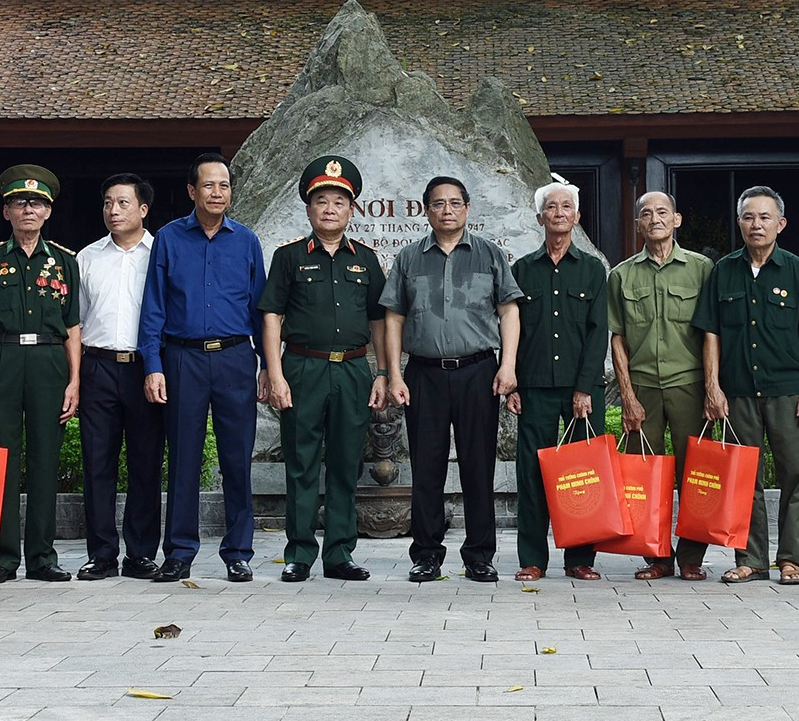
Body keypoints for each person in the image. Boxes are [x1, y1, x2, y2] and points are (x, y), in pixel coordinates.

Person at [381, 175, 522, 583]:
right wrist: (393, 373)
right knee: (426, 468)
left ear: (467, 209)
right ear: (427, 210)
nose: (447, 210)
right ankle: (426, 553)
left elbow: (509, 311)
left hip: (479, 371)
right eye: (438, 204)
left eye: (455, 203)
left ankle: (479, 554)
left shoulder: (490, 255)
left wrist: (507, 365)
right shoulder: (409, 258)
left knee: (479, 467)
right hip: (423, 374)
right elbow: (394, 316)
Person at [258, 156, 386, 582]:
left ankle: (339, 554)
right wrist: (274, 374)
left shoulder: (365, 260)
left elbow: (379, 321)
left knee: (347, 463)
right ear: (309, 209)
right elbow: (272, 316)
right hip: (302, 369)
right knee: (302, 463)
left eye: (339, 202)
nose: (330, 209)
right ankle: (298, 553)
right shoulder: (289, 257)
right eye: (321, 201)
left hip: (352, 371)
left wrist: (383, 373)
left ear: (352, 210)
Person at [139, 151, 265, 583]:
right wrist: (152, 365)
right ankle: (179, 551)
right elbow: (153, 306)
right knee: (184, 458)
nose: (218, 192)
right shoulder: (170, 239)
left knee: (236, 458)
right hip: (182, 358)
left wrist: (267, 366)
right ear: (192, 191)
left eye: (224, 185)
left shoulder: (246, 241)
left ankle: (238, 551)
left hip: (234, 357)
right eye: (209, 185)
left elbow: (258, 308)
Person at [695, 185, 799, 585]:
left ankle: (791, 559)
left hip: (788, 392)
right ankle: (750, 559)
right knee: (743, 480)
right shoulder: (724, 270)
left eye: (765, 217)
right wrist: (712, 387)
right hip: (737, 393)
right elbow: (711, 333)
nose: (757, 224)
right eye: (749, 217)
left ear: (781, 224)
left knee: (795, 475)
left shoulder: (796, 270)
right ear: (739, 223)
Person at [0, 165, 81, 584]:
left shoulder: (65, 262)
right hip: (3, 360)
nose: (28, 209)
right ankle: (2, 558)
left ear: (48, 212)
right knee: (2, 461)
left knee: (45, 459)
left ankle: (42, 557)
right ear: (6, 211)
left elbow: (72, 328)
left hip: (50, 363)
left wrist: (75, 380)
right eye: (19, 203)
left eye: (36, 203)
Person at [608, 191, 715, 581]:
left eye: (662, 212)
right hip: (643, 388)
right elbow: (617, 337)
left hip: (689, 383)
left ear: (677, 220)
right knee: (645, 477)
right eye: (646, 214)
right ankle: (656, 555)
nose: (654, 219)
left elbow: (711, 334)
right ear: (637, 224)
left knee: (695, 474)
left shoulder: (702, 269)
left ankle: (690, 557)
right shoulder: (621, 275)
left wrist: (713, 388)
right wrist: (627, 396)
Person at [508, 177, 610, 582]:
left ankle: (580, 558)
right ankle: (532, 558)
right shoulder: (522, 269)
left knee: (585, 475)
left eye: (567, 207)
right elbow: (510, 331)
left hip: (580, 388)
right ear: (540, 217)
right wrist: (511, 383)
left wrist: (584, 388)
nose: (559, 213)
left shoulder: (591, 270)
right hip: (533, 386)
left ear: (577, 217)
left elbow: (597, 331)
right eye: (552, 207)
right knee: (532, 474)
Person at [75, 173, 164, 581]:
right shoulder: (87, 257)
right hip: (98, 366)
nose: (113, 210)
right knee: (98, 463)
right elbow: (74, 323)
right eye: (108, 202)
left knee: (145, 462)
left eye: (123, 203)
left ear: (143, 209)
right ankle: (101, 553)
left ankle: (141, 553)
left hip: (146, 368)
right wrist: (75, 378)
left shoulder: (160, 253)